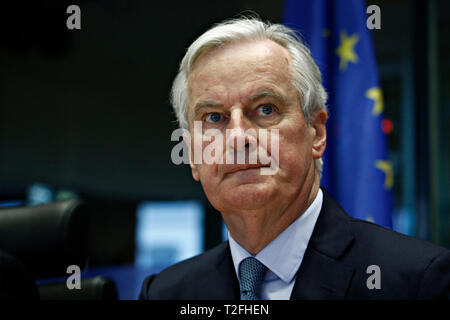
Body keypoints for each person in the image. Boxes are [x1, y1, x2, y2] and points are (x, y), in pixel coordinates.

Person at [139, 17, 450, 300]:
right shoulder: (166, 293)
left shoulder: (417, 281)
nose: (237, 138)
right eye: (214, 118)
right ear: (193, 155)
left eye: (265, 109)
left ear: (316, 132)